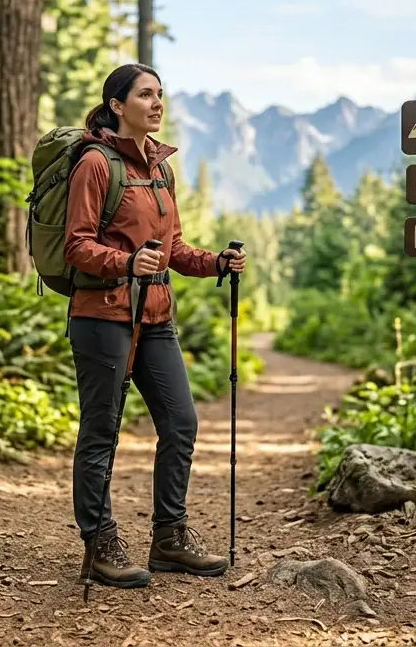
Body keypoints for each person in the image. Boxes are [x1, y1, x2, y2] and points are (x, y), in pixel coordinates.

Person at [62, 62, 247, 589]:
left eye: (160, 95)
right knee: (102, 432)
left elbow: (174, 250)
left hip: (156, 317)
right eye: (145, 95)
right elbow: (77, 244)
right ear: (118, 105)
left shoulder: (161, 169)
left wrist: (216, 263)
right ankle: (99, 543)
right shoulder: (96, 164)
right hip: (102, 317)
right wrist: (125, 263)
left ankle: (169, 538)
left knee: (181, 421)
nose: (157, 103)